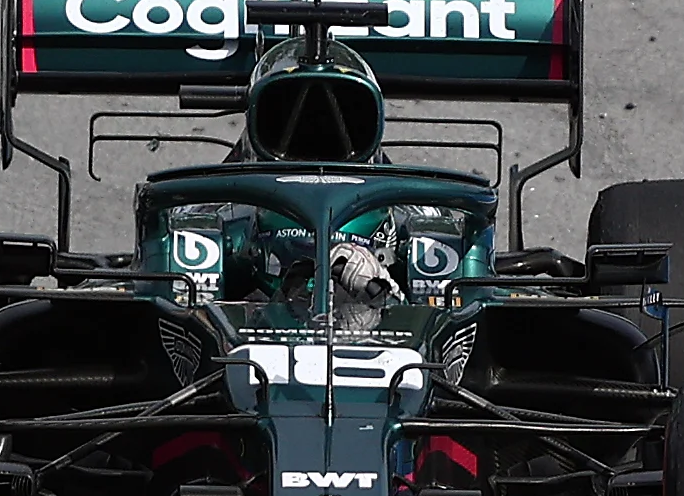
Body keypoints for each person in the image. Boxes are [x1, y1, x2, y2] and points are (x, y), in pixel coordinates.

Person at [153, 35, 486, 308]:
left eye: (339, 114)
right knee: (187, 276)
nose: (316, 124)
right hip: (256, 292)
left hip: (373, 292)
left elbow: (462, 313)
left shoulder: (419, 221)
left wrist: (385, 293)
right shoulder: (213, 220)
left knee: (443, 267)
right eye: (293, 115)